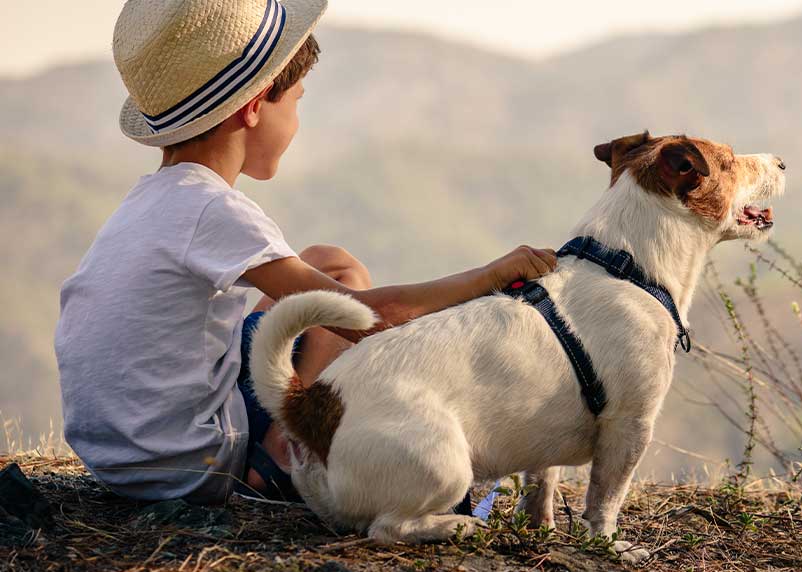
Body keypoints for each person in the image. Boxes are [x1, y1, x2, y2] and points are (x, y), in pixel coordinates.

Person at [54, 0, 555, 506]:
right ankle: (279, 462)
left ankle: (280, 444)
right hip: (190, 462)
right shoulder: (214, 209)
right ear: (254, 108)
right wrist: (491, 275)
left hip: (120, 454)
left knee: (327, 262)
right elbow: (372, 318)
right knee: (347, 287)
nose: (296, 120)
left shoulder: (152, 199)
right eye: (295, 100)